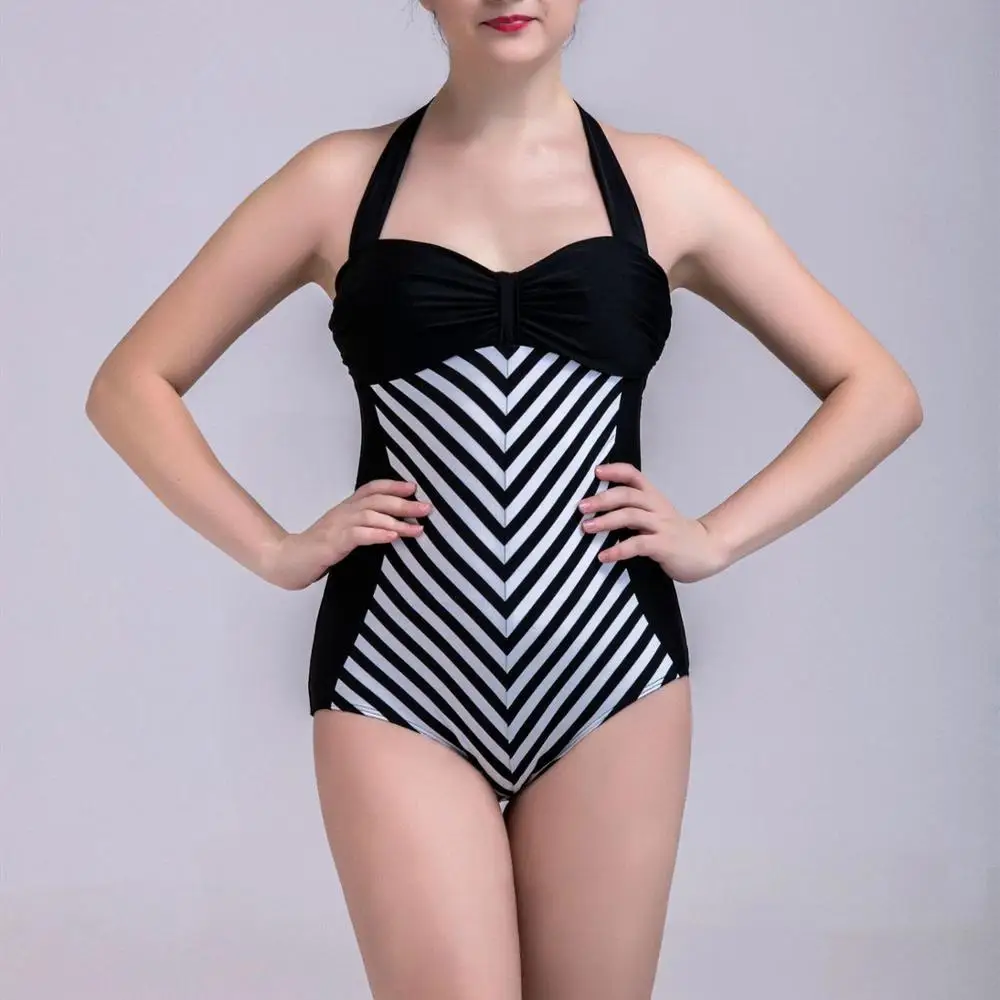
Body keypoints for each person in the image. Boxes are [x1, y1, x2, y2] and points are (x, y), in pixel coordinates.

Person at [85, 2, 924, 997]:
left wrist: (716, 536)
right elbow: (130, 384)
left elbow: (878, 392)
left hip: (614, 675)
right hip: (395, 675)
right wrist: (271, 548)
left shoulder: (665, 185)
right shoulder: (336, 182)